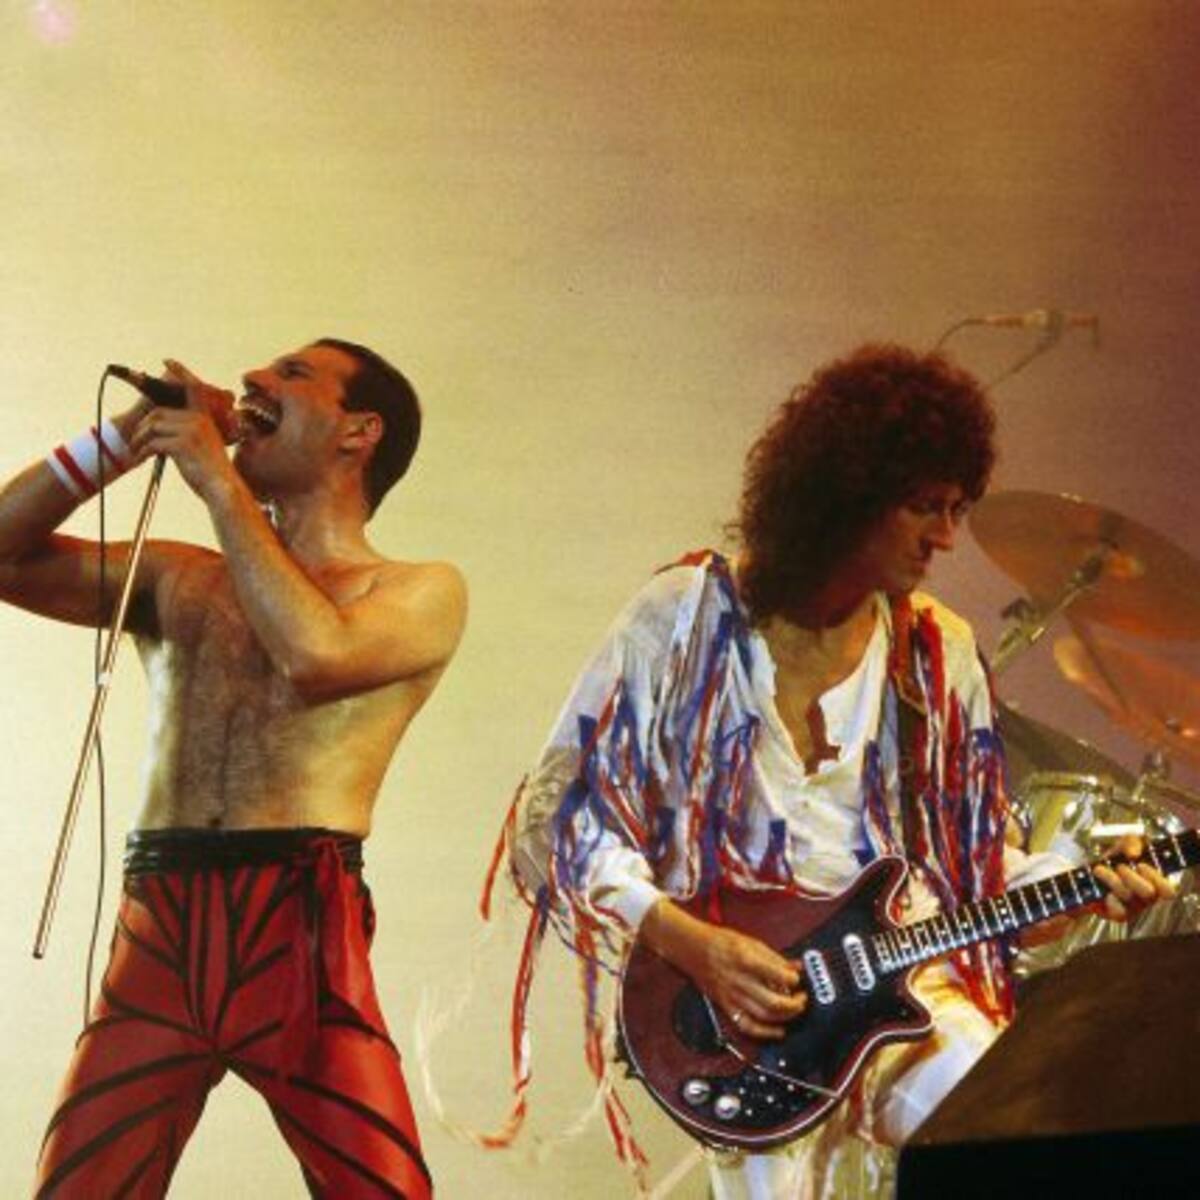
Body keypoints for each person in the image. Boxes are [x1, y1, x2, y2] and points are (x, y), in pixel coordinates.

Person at [497, 344, 1172, 1198]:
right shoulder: (686, 615)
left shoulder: (938, 652)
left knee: (1006, 1139)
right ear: (849, 488)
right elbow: (560, 818)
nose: (947, 537)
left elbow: (969, 870)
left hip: (908, 991)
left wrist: (1081, 888)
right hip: (748, 1021)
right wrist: (689, 942)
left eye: (957, 509)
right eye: (925, 507)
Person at [0, 340, 466, 1198]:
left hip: (296, 917)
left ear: (359, 431)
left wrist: (218, 482)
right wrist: (121, 440)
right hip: (163, 912)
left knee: (380, 1186)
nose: (254, 380)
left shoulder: (417, 590)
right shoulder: (180, 577)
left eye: (293, 374)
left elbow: (315, 655)